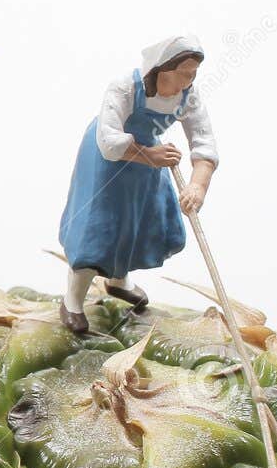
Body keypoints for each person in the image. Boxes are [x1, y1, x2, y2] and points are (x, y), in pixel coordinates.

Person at [57, 35, 218, 333]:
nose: (190, 78)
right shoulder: (126, 87)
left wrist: (197, 185)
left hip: (148, 163)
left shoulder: (188, 95)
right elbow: (108, 139)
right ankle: (73, 300)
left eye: (194, 72)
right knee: (100, 227)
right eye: (185, 72)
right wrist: (149, 155)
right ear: (164, 68)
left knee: (136, 222)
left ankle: (119, 281)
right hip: (108, 161)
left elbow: (204, 143)